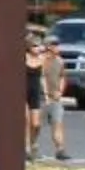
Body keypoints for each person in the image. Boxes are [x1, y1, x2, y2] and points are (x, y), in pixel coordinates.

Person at [23, 27, 62, 162]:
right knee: (26, 121)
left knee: (36, 124)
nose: (37, 47)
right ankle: (26, 148)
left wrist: (46, 94)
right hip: (22, 91)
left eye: (38, 45)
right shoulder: (23, 57)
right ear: (28, 46)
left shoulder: (42, 59)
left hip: (35, 93)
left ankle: (33, 143)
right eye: (34, 45)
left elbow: (43, 77)